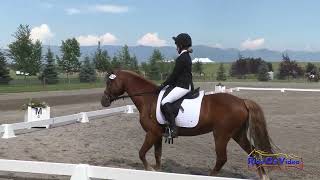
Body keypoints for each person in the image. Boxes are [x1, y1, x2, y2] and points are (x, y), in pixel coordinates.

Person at [157, 33, 194, 138]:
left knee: (164, 102)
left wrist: (163, 85)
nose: (176, 47)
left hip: (183, 86)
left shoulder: (182, 58)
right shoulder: (185, 56)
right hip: (183, 84)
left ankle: (173, 129)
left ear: (181, 45)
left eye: (177, 45)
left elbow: (174, 76)